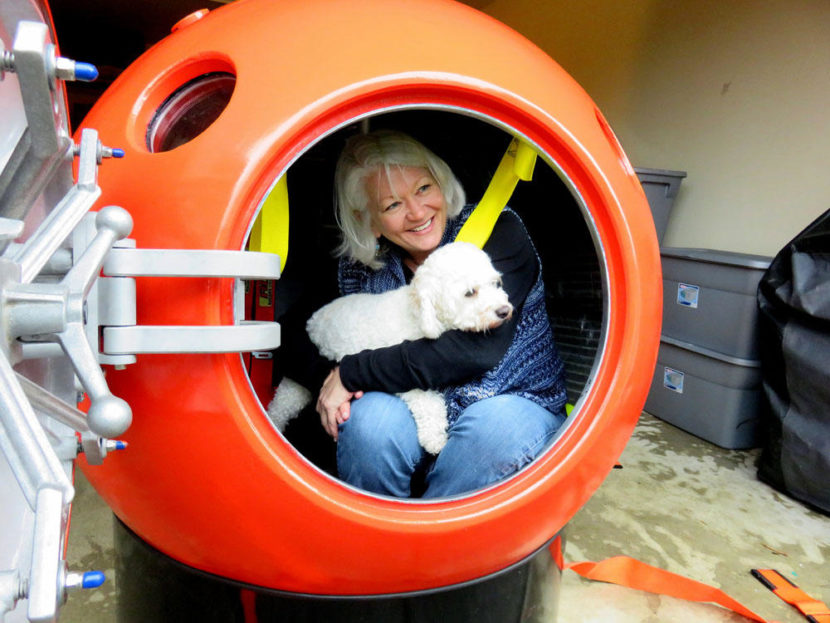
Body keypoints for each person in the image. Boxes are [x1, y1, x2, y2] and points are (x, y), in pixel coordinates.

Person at [314, 129, 567, 498]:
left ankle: (427, 551)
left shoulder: (496, 231)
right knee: (368, 422)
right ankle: (374, 543)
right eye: (392, 205)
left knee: (490, 432)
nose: (417, 213)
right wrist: (331, 380)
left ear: (441, 181)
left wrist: (353, 371)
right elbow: (306, 333)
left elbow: (477, 350)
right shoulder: (360, 270)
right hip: (415, 406)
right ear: (367, 219)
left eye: (422, 189)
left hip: (514, 400)